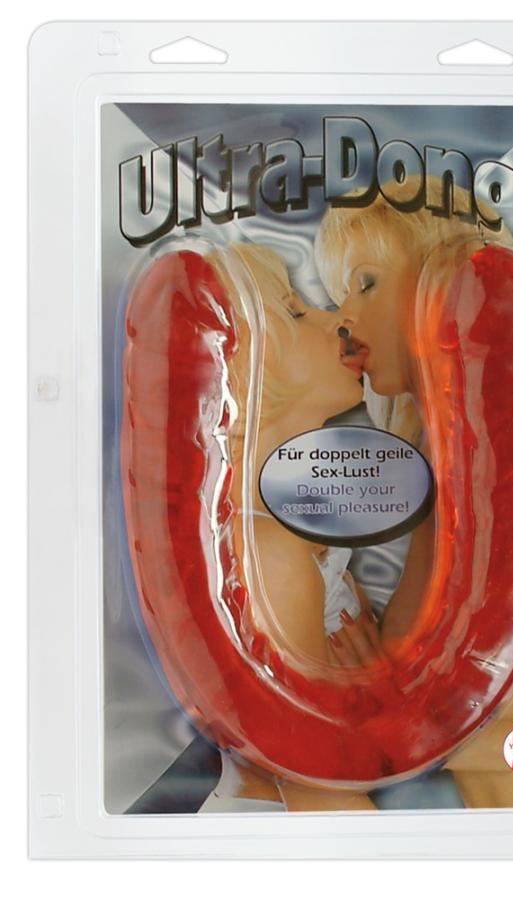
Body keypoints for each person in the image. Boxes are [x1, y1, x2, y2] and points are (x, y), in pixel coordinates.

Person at [314, 181, 513, 808]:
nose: (343, 317)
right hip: (486, 841)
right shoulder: (441, 469)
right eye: (339, 295)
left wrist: (451, 740)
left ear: (446, 286)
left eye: (366, 283)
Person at [199, 242, 383, 812]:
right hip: (279, 826)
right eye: (297, 311)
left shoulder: (289, 535)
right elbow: (318, 786)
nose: (336, 321)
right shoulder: (272, 557)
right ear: (241, 369)